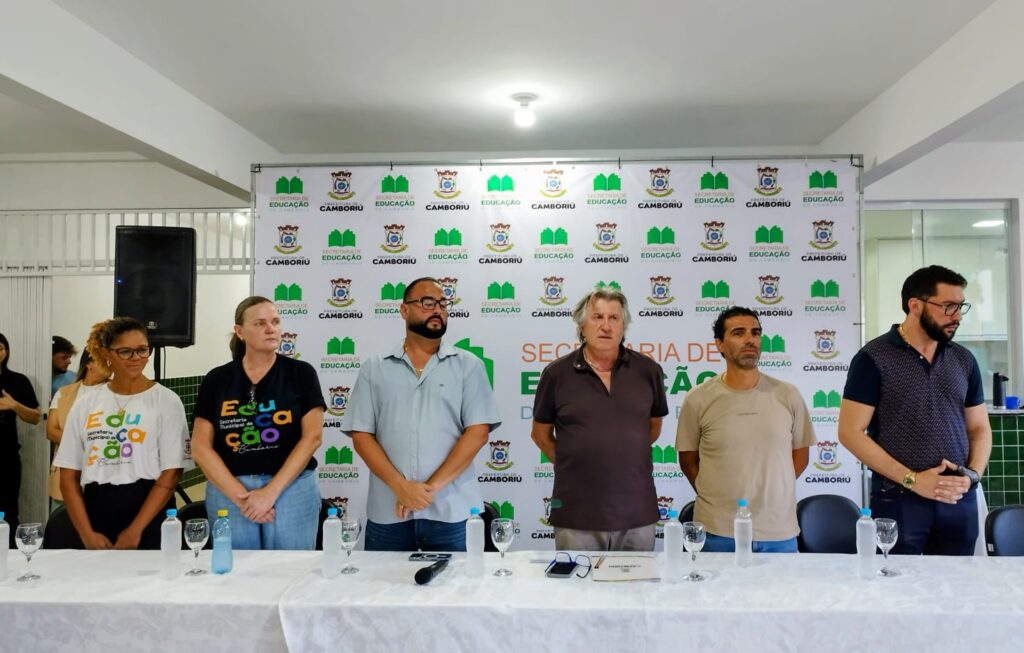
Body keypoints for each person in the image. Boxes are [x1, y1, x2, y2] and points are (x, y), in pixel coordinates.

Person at [839, 265, 992, 555]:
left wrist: (972, 475)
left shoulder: (964, 359)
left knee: (958, 580)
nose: (957, 316)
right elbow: (850, 432)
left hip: (957, 500)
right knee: (898, 580)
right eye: (948, 306)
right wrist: (914, 480)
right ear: (915, 305)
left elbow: (979, 428)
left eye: (960, 307)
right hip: (898, 498)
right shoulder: (873, 358)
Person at [341, 277, 501, 551]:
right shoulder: (374, 368)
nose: (437, 309)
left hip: (452, 511)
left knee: (457, 581)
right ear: (404, 310)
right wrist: (400, 487)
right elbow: (362, 435)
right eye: (427, 303)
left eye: (443, 303)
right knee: (381, 581)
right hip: (389, 511)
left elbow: (477, 433)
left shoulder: (468, 365)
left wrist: (428, 491)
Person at [531, 286, 667, 551]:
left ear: (623, 326)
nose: (606, 326)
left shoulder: (648, 371)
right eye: (597, 317)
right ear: (582, 326)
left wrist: (620, 454)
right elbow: (540, 435)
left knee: (639, 580)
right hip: (576, 512)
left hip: (637, 511)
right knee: (578, 579)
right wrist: (576, 463)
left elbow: (652, 429)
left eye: (614, 318)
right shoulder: (556, 374)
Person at [676, 306, 815, 553]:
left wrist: (774, 489)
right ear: (719, 344)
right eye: (738, 333)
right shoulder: (697, 398)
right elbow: (688, 461)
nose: (750, 339)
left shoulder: (788, 395)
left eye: (755, 333)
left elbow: (800, 456)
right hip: (717, 532)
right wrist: (718, 496)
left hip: (778, 533)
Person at [191, 296, 325, 550]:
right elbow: (200, 446)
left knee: (292, 568)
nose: (271, 329)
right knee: (236, 569)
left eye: (275, 322)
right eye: (260, 323)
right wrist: (242, 498)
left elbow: (312, 438)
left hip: (291, 487)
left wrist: (269, 493)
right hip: (230, 489)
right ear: (240, 331)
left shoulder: (301, 373)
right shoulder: (217, 379)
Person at [54, 318, 187, 549]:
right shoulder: (86, 404)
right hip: (97, 507)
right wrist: (87, 534)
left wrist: (135, 530)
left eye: (142, 350)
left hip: (150, 508)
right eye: (125, 351)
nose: (136, 358)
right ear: (107, 353)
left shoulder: (166, 401)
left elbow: (172, 472)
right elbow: (68, 476)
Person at [46, 326, 112, 503]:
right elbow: (51, 431)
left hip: (103, 470)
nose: (110, 364)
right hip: (67, 469)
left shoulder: (117, 393)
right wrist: (84, 442)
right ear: (89, 363)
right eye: (104, 360)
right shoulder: (65, 393)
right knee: (63, 516)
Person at [0, 332, 42, 545]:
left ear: (6, 351)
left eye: (0, 348)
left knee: (7, 512)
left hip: (6, 458)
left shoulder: (17, 381)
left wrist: (14, 405)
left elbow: (35, 417)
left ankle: (11, 557)